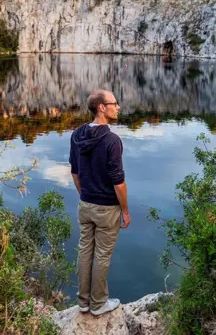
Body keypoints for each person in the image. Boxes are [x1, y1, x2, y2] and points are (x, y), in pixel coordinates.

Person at [69, 89, 130, 316]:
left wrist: (84, 195)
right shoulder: (112, 140)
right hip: (107, 208)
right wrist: (125, 210)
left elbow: (75, 172)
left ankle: (83, 302)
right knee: (102, 255)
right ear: (102, 108)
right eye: (114, 103)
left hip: (85, 204)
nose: (118, 107)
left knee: (85, 251)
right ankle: (98, 304)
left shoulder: (76, 135)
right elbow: (119, 183)